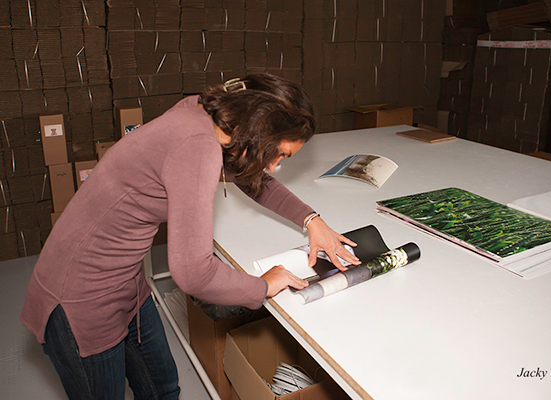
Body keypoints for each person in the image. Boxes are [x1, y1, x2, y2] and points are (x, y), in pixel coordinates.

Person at [20, 73, 360, 399]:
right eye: (281, 154)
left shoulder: (203, 114)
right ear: (258, 131)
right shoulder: (197, 148)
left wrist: (311, 220)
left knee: (162, 390)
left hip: (124, 279)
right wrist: (262, 286)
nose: (273, 166)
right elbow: (193, 272)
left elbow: (254, 177)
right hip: (80, 298)